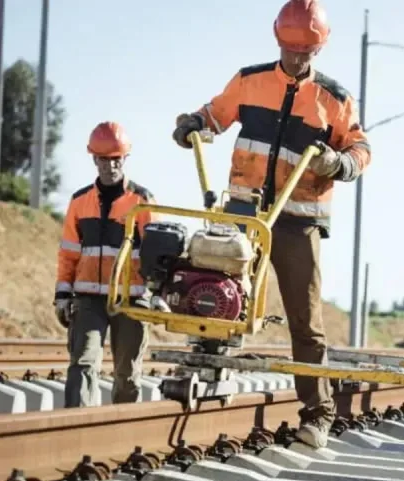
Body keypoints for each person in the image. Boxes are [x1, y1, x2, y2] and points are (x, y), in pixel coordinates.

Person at [170, 0, 371, 449]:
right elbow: (214, 115)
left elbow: (360, 148)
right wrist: (193, 125)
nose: (300, 58)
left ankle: (317, 414)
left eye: (309, 52)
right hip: (243, 211)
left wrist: (340, 162)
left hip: (298, 221)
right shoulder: (249, 80)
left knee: (305, 319)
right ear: (279, 40)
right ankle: (205, 367)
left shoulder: (334, 99)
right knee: (217, 292)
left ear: (319, 49)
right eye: (293, 49)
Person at [54, 122, 154, 408]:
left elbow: (156, 257)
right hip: (88, 300)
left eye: (115, 159)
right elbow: (68, 254)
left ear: (124, 159)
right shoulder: (79, 202)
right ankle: (75, 430)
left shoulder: (142, 201)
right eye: (103, 159)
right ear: (94, 159)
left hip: (131, 301)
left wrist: (154, 296)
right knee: (82, 364)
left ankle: (120, 432)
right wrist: (62, 295)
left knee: (127, 374)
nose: (110, 166)